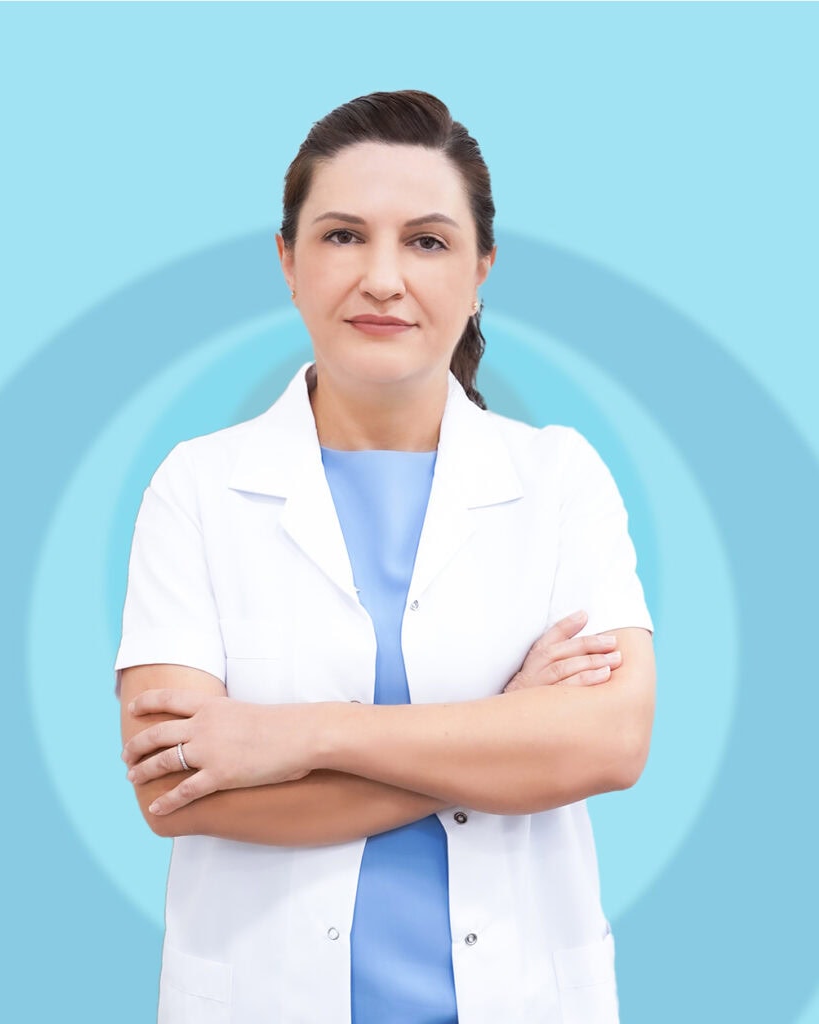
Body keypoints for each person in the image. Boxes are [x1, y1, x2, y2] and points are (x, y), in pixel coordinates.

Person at [116, 90, 655, 1024]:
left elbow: (608, 742)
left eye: (427, 241)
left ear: (481, 270)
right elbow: (175, 790)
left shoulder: (558, 477)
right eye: (341, 236)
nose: (381, 278)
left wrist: (302, 737)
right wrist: (502, 734)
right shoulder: (197, 487)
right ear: (288, 262)